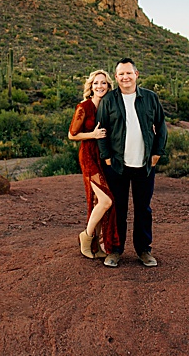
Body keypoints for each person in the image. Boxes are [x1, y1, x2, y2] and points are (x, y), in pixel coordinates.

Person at [95, 58, 167, 268]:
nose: (125, 77)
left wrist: (157, 153)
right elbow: (101, 130)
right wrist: (106, 156)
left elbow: (161, 126)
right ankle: (115, 250)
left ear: (136, 75)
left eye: (129, 73)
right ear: (116, 78)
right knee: (118, 209)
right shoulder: (109, 100)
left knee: (143, 208)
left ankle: (144, 250)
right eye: (121, 74)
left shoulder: (150, 98)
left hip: (144, 164)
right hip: (117, 165)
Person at [67, 69, 120, 261]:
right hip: (89, 156)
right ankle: (87, 237)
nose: (100, 86)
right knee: (106, 200)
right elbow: (72, 134)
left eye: (104, 83)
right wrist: (93, 135)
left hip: (103, 157)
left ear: (108, 86)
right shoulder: (84, 107)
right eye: (96, 83)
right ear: (91, 86)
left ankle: (96, 243)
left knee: (99, 202)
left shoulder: (108, 107)